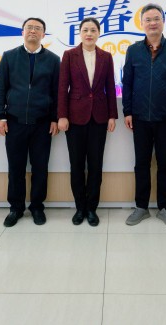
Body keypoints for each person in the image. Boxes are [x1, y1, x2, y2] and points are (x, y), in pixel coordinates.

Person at [122, 3, 166, 229]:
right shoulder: (133, 50)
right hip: (140, 118)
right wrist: (128, 111)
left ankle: (165, 208)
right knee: (141, 163)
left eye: (156, 19)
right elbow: (127, 83)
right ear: (142, 24)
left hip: (165, 118)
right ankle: (141, 207)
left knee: (165, 164)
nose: (152, 23)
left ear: (163, 22)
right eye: (148, 19)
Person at [0, 17, 60, 227]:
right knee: (16, 168)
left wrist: (54, 118)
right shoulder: (9, 56)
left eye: (37, 28)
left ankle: (37, 206)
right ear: (22, 32)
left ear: (43, 34)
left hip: (42, 123)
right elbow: (0, 88)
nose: (33, 31)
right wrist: (0, 116)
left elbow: (57, 92)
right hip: (14, 121)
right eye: (29, 27)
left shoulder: (53, 59)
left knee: (40, 167)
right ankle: (16, 208)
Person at [57, 18, 118, 227]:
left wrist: (112, 115)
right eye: (85, 30)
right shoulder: (69, 55)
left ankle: (92, 208)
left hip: (99, 118)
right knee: (76, 165)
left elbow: (110, 87)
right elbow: (62, 87)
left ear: (99, 33)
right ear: (80, 33)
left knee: (95, 165)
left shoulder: (106, 56)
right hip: (74, 118)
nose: (89, 33)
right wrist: (62, 115)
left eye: (93, 30)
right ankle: (79, 208)